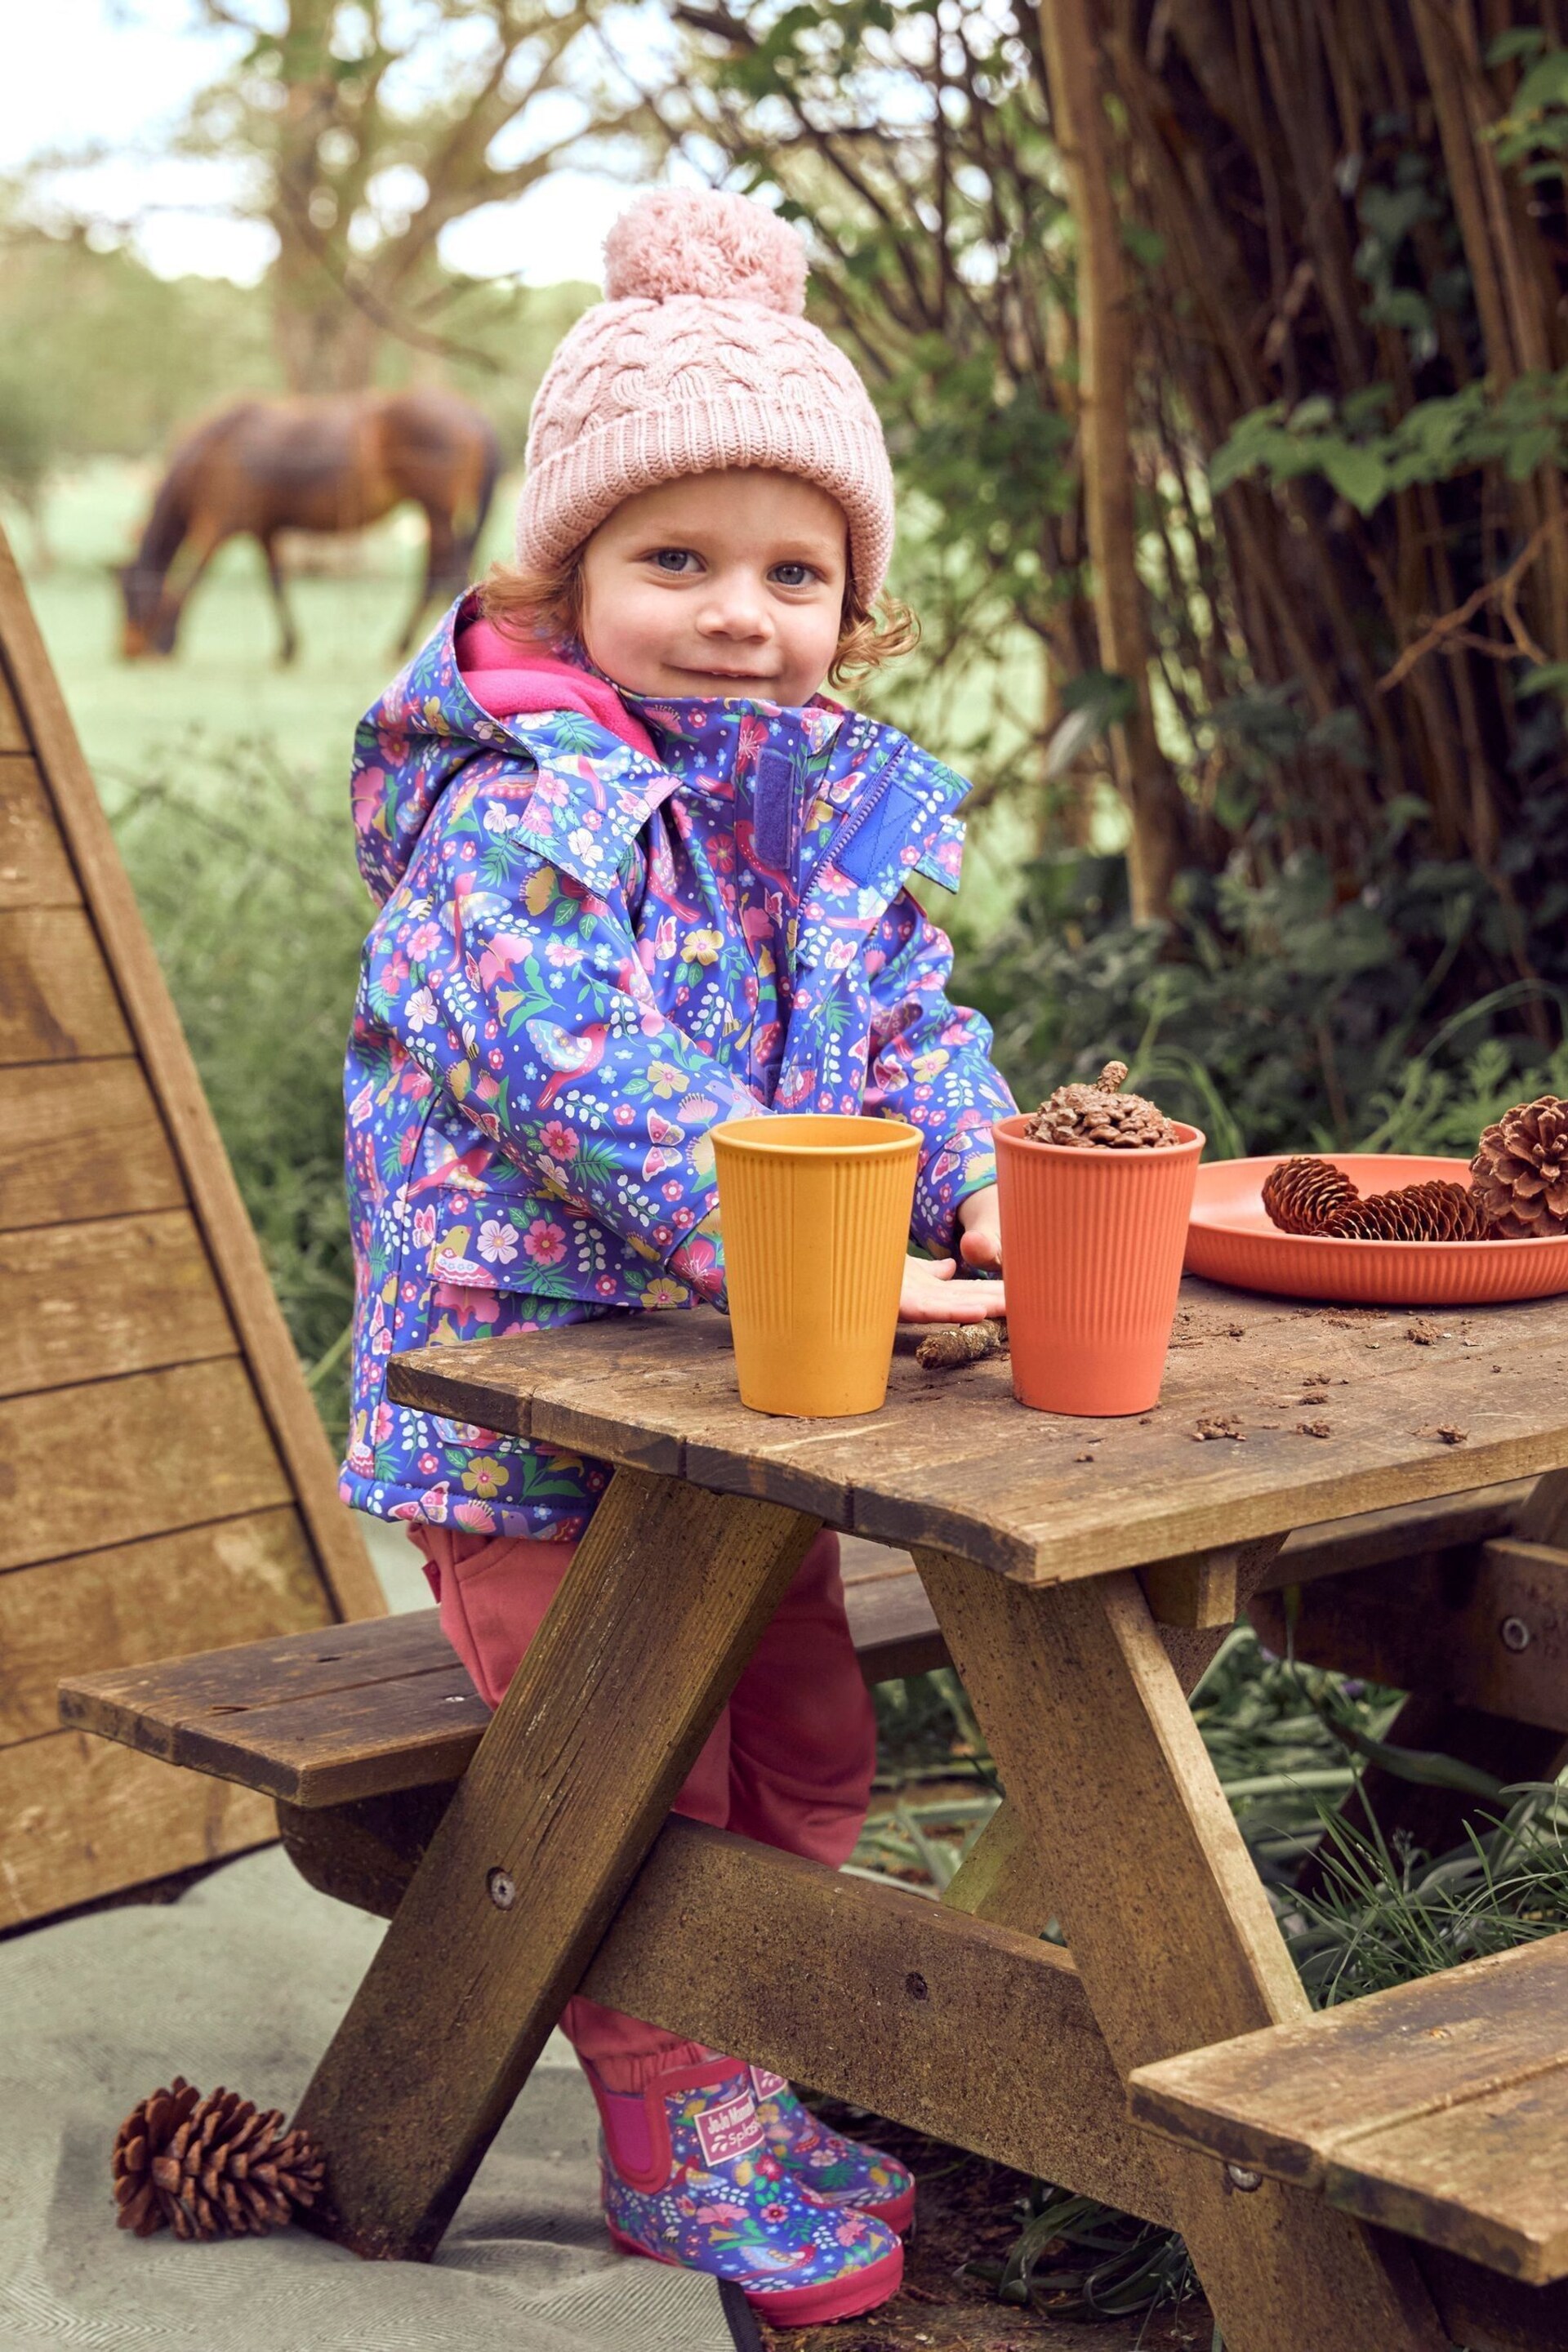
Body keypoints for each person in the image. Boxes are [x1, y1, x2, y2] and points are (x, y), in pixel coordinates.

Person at [340, 185, 1014, 2327]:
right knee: (632, 1761)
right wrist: (803, 1223)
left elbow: (911, 1017)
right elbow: (585, 1076)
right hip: (526, 1406)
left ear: (853, 603)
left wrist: (982, 1175)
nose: (742, 614)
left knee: (805, 1734)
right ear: (563, 573)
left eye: (794, 571)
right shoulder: (508, 825)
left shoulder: (816, 805)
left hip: (749, 1399)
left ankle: (761, 2044)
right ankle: (680, 2117)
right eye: (678, 561)